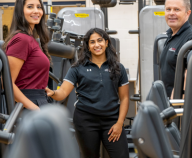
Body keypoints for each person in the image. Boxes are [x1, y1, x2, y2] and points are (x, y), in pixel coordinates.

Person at [45, 28, 130, 158]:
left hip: (112, 121)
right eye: (92, 42)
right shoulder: (78, 68)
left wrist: (120, 123)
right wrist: (53, 93)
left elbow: (124, 98)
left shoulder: (118, 68)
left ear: (106, 42)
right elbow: (63, 91)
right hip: (86, 121)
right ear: (88, 46)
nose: (97, 45)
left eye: (100, 40)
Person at [2, 0, 52, 110]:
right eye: (30, 7)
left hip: (37, 100)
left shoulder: (31, 39)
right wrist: (35, 109)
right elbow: (6, 82)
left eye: (39, 7)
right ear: (20, 11)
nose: (36, 11)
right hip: (27, 106)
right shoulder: (22, 39)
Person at [160, 0, 192, 99]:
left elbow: (190, 76)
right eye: (168, 9)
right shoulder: (171, 35)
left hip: (179, 106)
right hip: (167, 102)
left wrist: (177, 107)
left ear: (188, 13)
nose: (171, 13)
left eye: (177, 9)